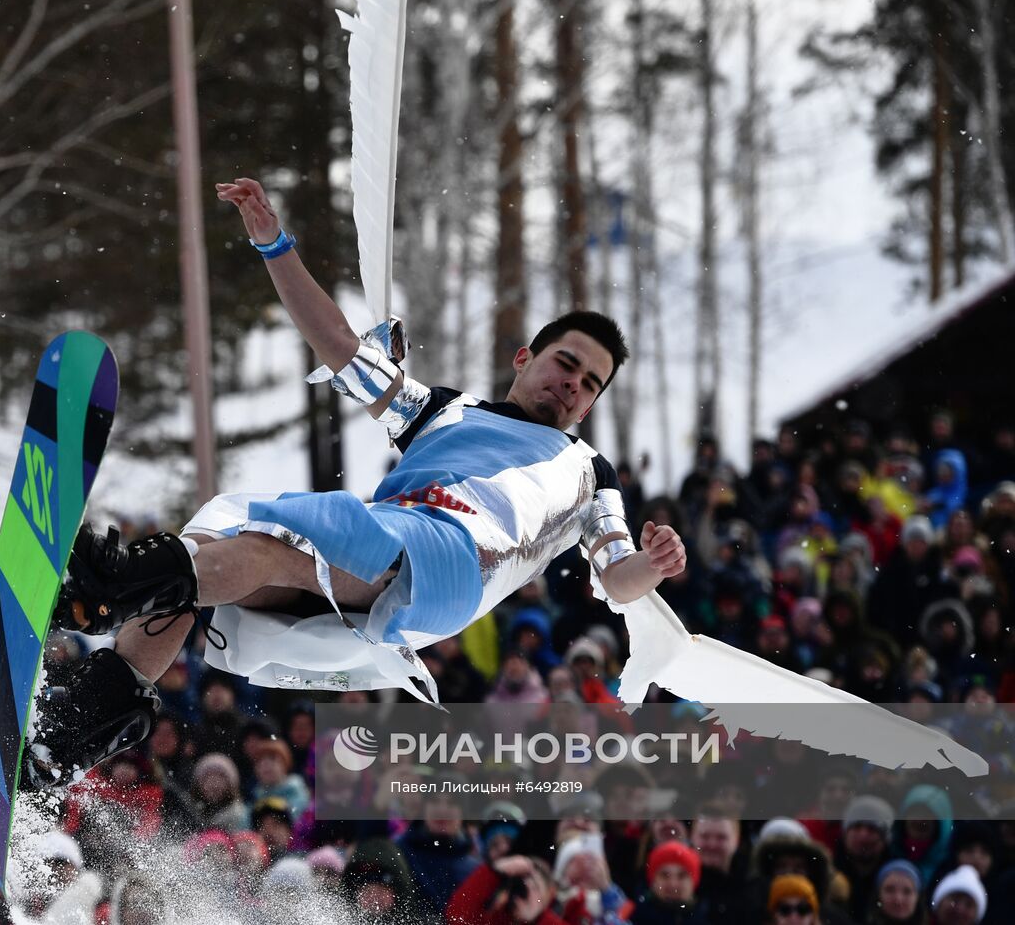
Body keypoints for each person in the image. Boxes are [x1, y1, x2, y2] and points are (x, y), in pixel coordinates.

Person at [33, 176, 687, 779]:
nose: (572, 385)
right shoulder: (441, 411)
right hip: (383, 543)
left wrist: (653, 565)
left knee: (278, 538)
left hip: (451, 560)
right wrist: (274, 243)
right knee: (213, 557)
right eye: (565, 363)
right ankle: (72, 736)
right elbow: (339, 345)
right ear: (524, 357)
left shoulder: (586, 472)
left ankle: (106, 591)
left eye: (589, 384)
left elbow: (618, 578)